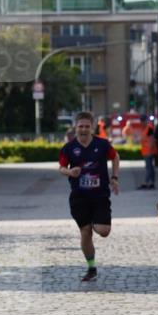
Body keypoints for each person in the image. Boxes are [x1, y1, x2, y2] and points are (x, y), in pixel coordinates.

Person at [58, 110, 120, 282]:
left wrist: (114, 178)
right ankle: (91, 267)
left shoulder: (102, 144)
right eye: (80, 126)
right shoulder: (69, 148)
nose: (83, 129)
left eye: (87, 126)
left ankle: (94, 221)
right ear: (75, 127)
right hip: (79, 197)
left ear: (92, 127)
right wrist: (70, 171)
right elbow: (61, 168)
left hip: (100, 196)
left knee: (104, 231)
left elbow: (116, 157)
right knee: (85, 232)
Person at [138, 114, 157, 189]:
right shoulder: (145, 128)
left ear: (146, 120)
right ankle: (152, 183)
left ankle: (146, 182)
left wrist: (149, 150)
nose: (142, 122)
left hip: (149, 151)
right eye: (141, 121)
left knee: (148, 167)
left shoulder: (149, 128)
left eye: (143, 121)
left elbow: (152, 140)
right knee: (150, 167)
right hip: (146, 151)